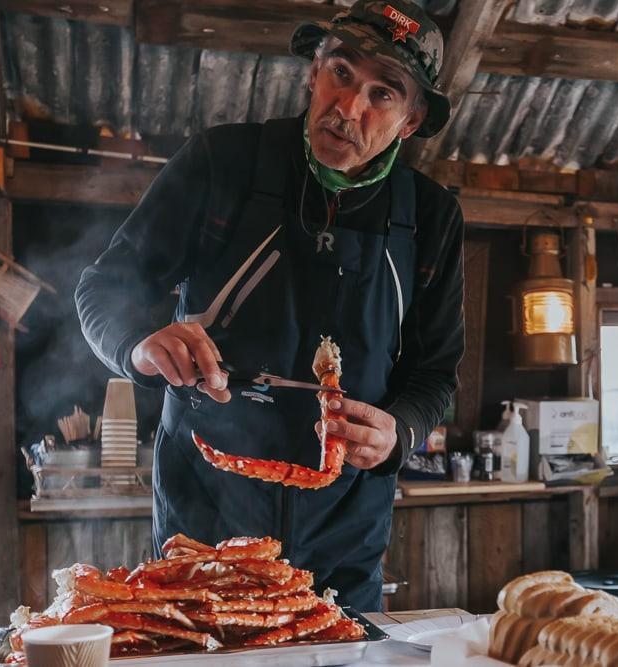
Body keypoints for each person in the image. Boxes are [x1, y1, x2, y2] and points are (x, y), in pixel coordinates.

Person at [75, 0, 464, 612]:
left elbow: (434, 373)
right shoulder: (220, 164)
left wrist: (400, 432)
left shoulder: (431, 219)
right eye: (341, 72)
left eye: (383, 94)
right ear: (314, 72)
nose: (348, 108)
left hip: (344, 526)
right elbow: (102, 287)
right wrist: (139, 345)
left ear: (411, 121)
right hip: (206, 513)